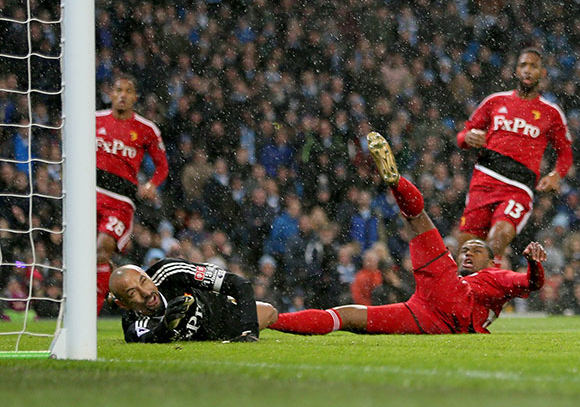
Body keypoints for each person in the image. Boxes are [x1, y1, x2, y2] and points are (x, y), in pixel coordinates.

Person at [269, 132, 547, 336]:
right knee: (347, 317)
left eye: (476, 250)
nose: (467, 253)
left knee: (417, 217)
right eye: (465, 250)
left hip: (448, 296)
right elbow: (532, 285)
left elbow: (531, 283)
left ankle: (396, 182)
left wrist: (534, 264)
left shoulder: (496, 276)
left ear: (491, 261)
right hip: (427, 314)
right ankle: (275, 321)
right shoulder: (475, 277)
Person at [455, 47, 573, 260]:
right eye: (523, 65)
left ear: (542, 73)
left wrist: (556, 174)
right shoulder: (495, 101)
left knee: (499, 237)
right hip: (484, 178)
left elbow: (565, 153)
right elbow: (462, 135)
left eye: (533, 66)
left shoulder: (551, 113)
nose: (528, 70)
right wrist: (468, 137)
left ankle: (484, 286)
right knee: (467, 250)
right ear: (516, 71)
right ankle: (475, 288)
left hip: (518, 186)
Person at [96, 75, 170, 314]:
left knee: (102, 249)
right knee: (85, 254)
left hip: (120, 201)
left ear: (135, 97)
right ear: (110, 93)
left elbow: (162, 166)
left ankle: (92, 310)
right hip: (90, 193)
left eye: (128, 91)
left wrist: (151, 184)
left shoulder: (146, 129)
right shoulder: (92, 120)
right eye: (118, 90)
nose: (122, 95)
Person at [109, 259, 279, 343]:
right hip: (208, 335)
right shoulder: (134, 322)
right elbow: (145, 339)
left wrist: (249, 332)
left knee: (271, 312)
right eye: (132, 293)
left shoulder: (169, 272)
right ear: (123, 304)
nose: (145, 293)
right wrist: (165, 326)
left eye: (144, 281)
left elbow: (240, 284)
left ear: (148, 275)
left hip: (221, 314)